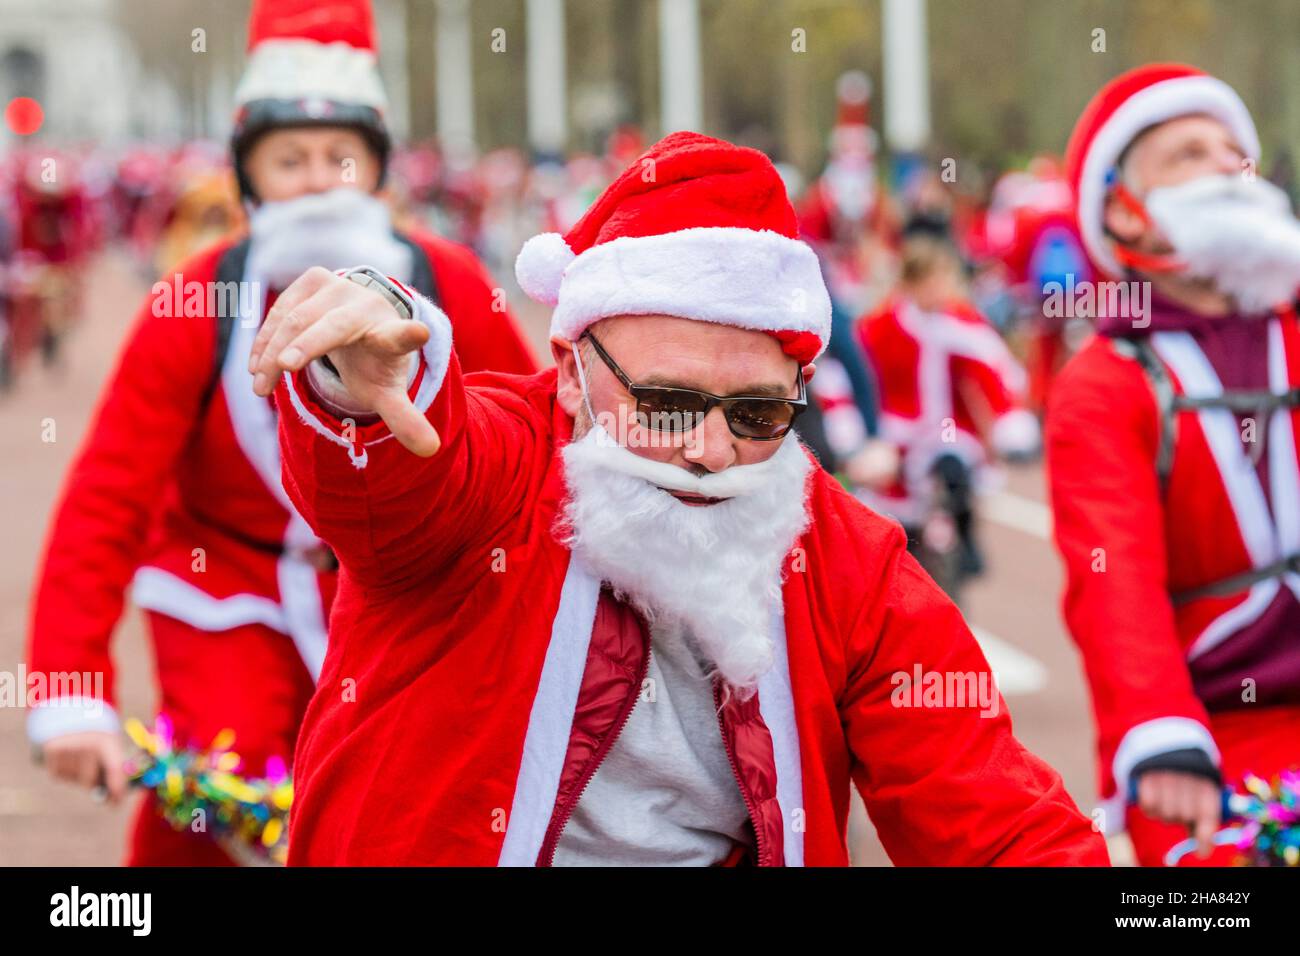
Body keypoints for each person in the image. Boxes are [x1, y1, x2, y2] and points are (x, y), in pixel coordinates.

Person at [253, 131, 1108, 866]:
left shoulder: (850, 562)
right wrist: (354, 388)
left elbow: (993, 816)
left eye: (758, 412)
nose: (709, 451)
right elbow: (396, 488)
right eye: (665, 405)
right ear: (572, 369)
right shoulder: (502, 468)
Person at [25, 0, 536, 866]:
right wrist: (70, 688)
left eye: (340, 156)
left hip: (403, 592)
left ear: (375, 168)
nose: (317, 180)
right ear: (249, 176)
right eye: (288, 159)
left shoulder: (445, 278)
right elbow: (107, 496)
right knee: (228, 782)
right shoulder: (193, 299)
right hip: (227, 588)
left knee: (417, 794)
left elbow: (534, 431)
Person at [1049, 63, 1300, 865]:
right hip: (1207, 735)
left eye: (1235, 150)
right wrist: (1159, 733)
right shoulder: (1105, 380)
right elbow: (1111, 576)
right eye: (1190, 153)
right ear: (1122, 203)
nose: (1229, 165)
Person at [857, 235, 1040, 593]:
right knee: (892, 516)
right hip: (896, 433)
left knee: (955, 470)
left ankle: (966, 535)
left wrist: (1007, 418)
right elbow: (860, 378)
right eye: (930, 281)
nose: (939, 290)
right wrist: (864, 432)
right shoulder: (881, 326)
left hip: (947, 430)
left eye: (944, 280)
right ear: (911, 284)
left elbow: (992, 368)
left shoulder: (960, 321)